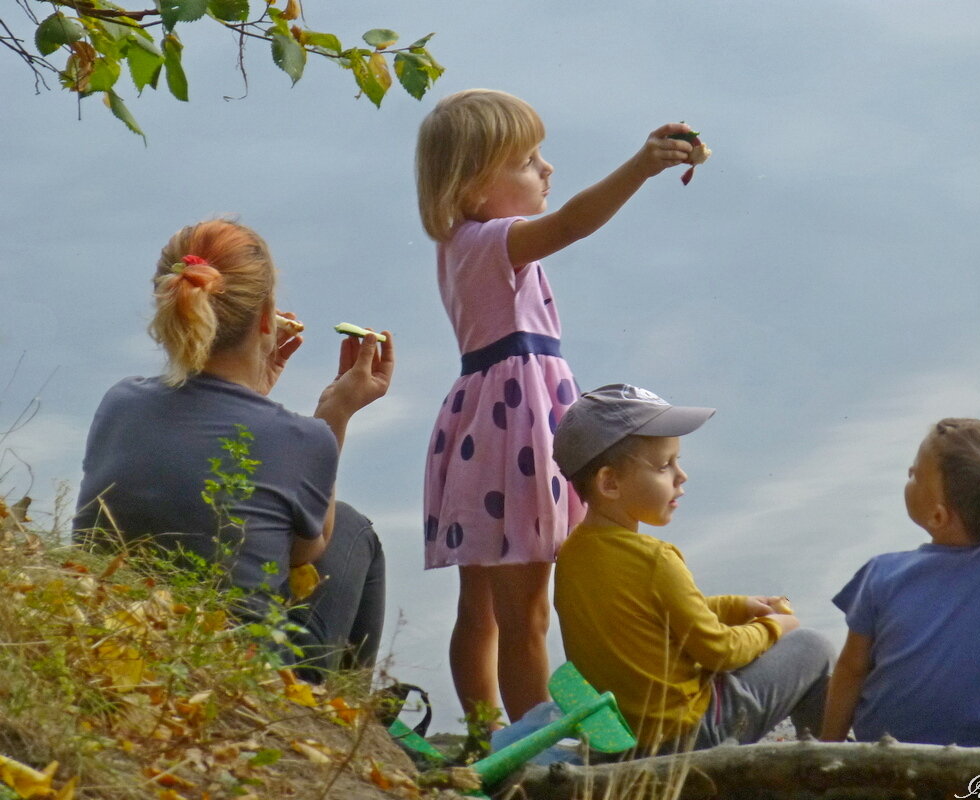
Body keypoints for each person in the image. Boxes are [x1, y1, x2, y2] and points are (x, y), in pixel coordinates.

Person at [415, 89, 699, 724]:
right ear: (471, 185)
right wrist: (641, 166)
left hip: (479, 427)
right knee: (527, 613)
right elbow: (571, 222)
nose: (546, 170)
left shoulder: (464, 246)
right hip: (513, 428)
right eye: (526, 160)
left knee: (481, 606)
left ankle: (486, 731)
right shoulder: (492, 240)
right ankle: (533, 744)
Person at [73, 218, 394, 681]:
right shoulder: (302, 438)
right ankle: (350, 720)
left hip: (118, 633)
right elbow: (306, 550)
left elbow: (195, 455)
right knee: (352, 528)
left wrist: (252, 391)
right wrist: (334, 412)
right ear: (266, 318)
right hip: (238, 667)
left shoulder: (120, 401)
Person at [552, 384, 835, 753]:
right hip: (689, 737)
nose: (681, 476)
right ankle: (832, 766)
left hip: (623, 743)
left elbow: (659, 619)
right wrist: (772, 627)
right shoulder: (656, 560)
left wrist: (738, 606)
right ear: (610, 482)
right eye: (664, 465)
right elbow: (718, 651)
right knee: (812, 647)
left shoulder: (572, 556)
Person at [822, 418, 980, 746]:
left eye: (915, 475)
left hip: (887, 745)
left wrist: (828, 748)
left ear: (938, 516)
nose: (909, 474)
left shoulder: (882, 574)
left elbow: (852, 669)